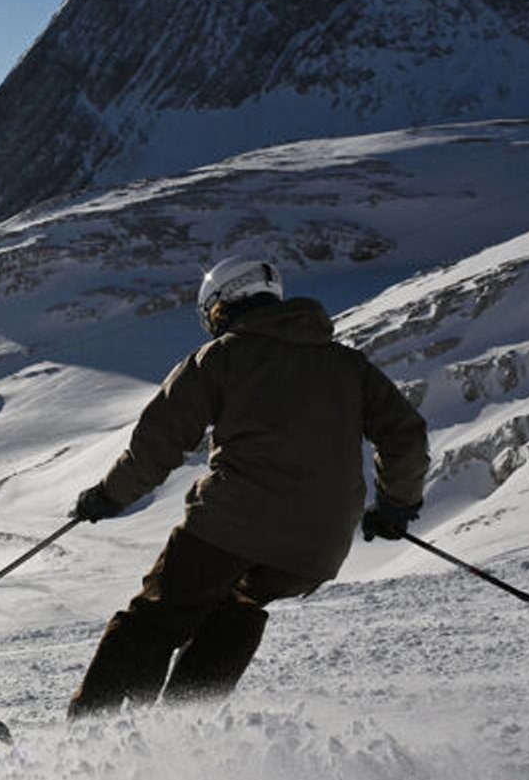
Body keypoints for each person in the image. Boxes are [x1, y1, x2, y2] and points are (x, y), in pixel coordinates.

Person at [65, 256, 429, 719]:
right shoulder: (348, 366)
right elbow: (406, 436)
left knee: (157, 617)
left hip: (230, 524)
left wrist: (109, 495)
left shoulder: (223, 357)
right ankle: (180, 737)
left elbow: (159, 441)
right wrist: (396, 504)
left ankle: (92, 737)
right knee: (235, 609)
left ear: (220, 307)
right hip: (316, 548)